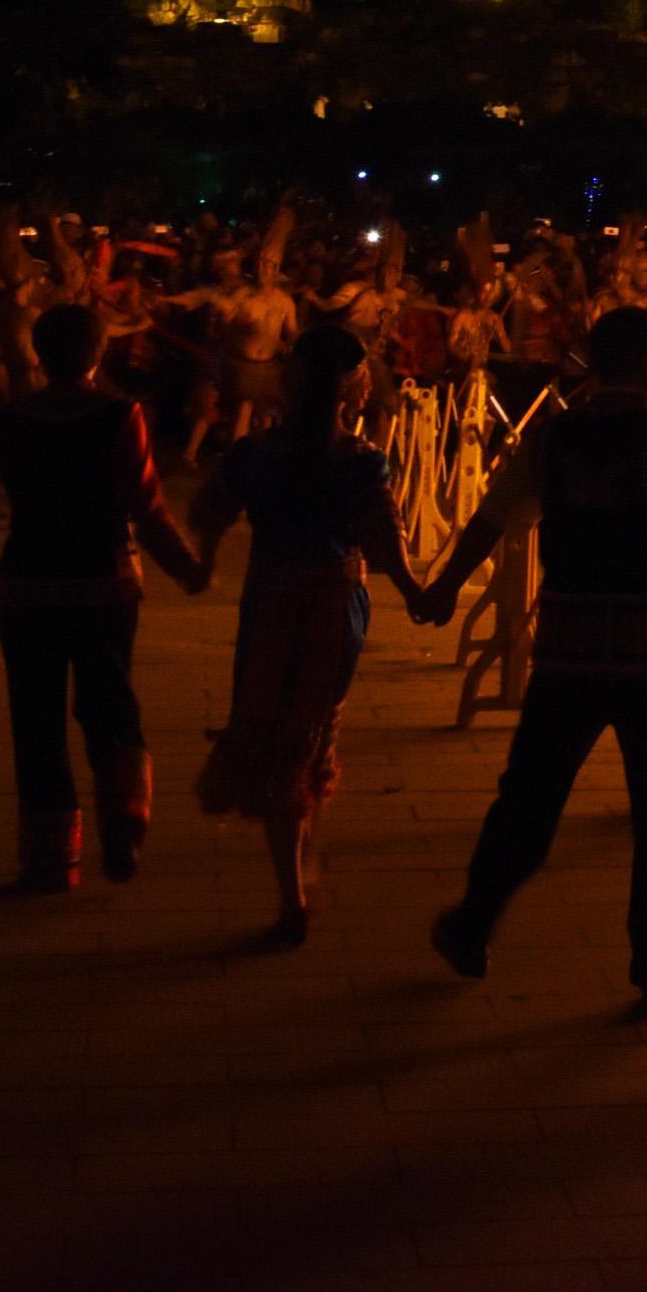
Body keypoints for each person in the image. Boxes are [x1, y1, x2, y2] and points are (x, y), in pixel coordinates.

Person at [416, 302, 647, 1012]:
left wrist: (444, 585)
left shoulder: (553, 435)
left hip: (566, 654)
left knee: (529, 800)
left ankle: (473, 920)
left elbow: (494, 516)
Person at [0, 301, 212, 891]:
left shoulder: (15, 417)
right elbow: (146, 507)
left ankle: (52, 859)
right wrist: (186, 566)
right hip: (104, 581)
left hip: (26, 583)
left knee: (37, 718)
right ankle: (124, 817)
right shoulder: (118, 414)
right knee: (109, 703)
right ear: (98, 352)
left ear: (39, 355)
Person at [196, 314, 415, 943]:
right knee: (309, 738)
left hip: (269, 600)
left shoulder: (255, 454)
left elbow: (210, 511)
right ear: (353, 392)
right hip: (331, 606)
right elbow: (387, 545)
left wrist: (202, 566)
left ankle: (292, 885)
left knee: (272, 730)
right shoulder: (360, 462)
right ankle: (295, 889)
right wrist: (423, 596)